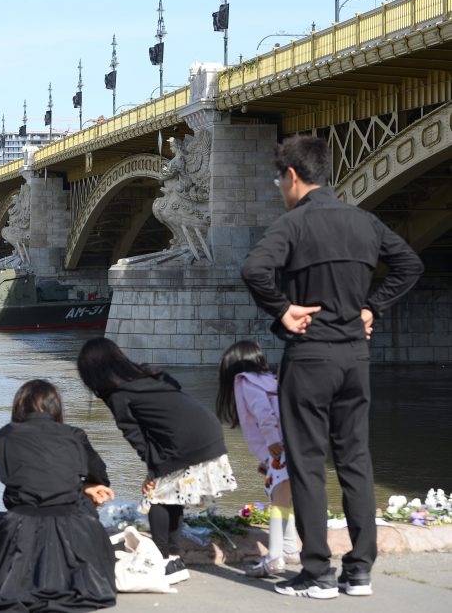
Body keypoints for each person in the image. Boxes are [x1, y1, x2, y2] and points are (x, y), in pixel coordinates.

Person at [241, 135, 423, 599]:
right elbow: (409, 264)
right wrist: (372, 307)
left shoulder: (292, 225)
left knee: (306, 464)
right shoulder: (365, 221)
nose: (280, 187)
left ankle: (317, 572)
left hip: (309, 356)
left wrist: (283, 309)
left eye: (279, 179)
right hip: (354, 359)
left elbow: (254, 270)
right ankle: (358, 572)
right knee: (356, 462)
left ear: (293, 176)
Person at [76, 337, 237, 586]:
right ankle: (174, 559)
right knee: (173, 495)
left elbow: (134, 434)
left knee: (157, 499)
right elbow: (170, 405)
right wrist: (156, 468)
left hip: (183, 440)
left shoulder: (117, 393)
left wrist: (152, 468)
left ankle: (162, 560)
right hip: (208, 429)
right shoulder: (149, 374)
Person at [0, 379, 117, 612]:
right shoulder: (74, 435)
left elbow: (20, 481)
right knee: (85, 507)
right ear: (56, 407)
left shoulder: (4, 436)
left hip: (20, 527)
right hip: (72, 526)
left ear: (19, 406)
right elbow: (99, 476)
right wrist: (87, 487)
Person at [216, 341, 299, 577]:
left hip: (280, 449)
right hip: (292, 446)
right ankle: (290, 549)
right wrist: (266, 460)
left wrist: (272, 443)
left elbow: (264, 412)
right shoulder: (270, 379)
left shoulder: (246, 382)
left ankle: (274, 557)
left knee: (279, 501)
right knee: (287, 501)